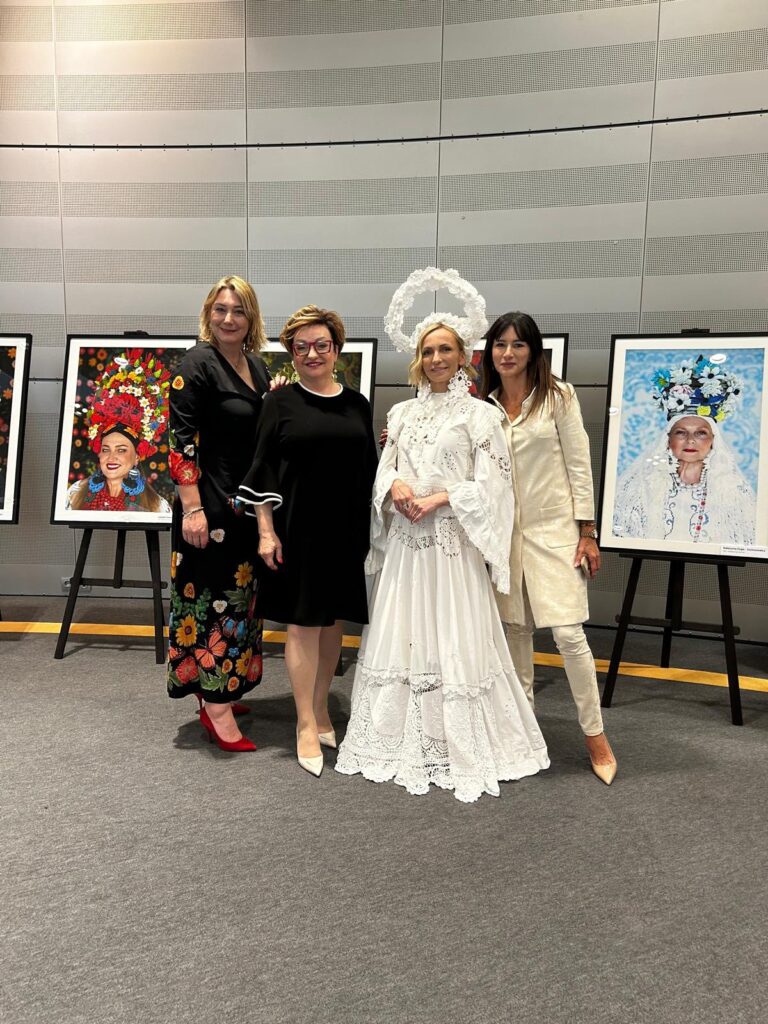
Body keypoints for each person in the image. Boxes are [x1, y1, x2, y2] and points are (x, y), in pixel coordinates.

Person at [335, 267, 549, 802]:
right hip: (408, 546)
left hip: (453, 544)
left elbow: (496, 486)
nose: (436, 359)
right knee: (407, 632)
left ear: (463, 356)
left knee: (453, 634)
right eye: (428, 350)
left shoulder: (481, 416)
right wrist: (396, 487)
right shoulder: (402, 412)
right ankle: (401, 737)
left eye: (445, 349)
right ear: (418, 357)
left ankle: (459, 742)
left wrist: (442, 497)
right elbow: (385, 468)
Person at [237, 305, 378, 776]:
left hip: (347, 530)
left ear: (336, 349)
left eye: (321, 345)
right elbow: (261, 469)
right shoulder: (278, 403)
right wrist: (265, 531)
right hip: (298, 528)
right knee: (302, 624)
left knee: (333, 622)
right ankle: (303, 724)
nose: (312, 354)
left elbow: (369, 467)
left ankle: (320, 708)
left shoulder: (357, 403)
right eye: (302, 347)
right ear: (291, 353)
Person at [480, 311, 617, 785]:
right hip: (504, 538)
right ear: (490, 352)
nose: (508, 353)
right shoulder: (484, 406)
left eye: (518, 344)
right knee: (515, 632)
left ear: (533, 350)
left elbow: (579, 463)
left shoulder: (558, 396)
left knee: (568, 635)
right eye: (500, 344)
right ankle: (523, 731)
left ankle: (595, 735)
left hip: (556, 533)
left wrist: (588, 530)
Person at [166, 275, 272, 752]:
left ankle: (220, 686)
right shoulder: (195, 364)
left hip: (244, 507)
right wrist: (192, 510)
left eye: (239, 310)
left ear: (252, 318)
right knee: (212, 603)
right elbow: (180, 443)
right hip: (207, 508)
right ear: (209, 313)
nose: (229, 319)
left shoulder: (256, 366)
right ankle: (216, 707)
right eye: (221, 309)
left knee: (238, 600)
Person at [613, 355, 755, 545]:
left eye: (701, 433)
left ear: (713, 441)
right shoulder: (640, 487)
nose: (690, 441)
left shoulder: (734, 491)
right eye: (681, 433)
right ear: (668, 439)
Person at [66, 349, 171, 514]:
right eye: (105, 449)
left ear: (136, 457)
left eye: (121, 450)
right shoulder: (74, 494)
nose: (111, 457)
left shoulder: (156, 507)